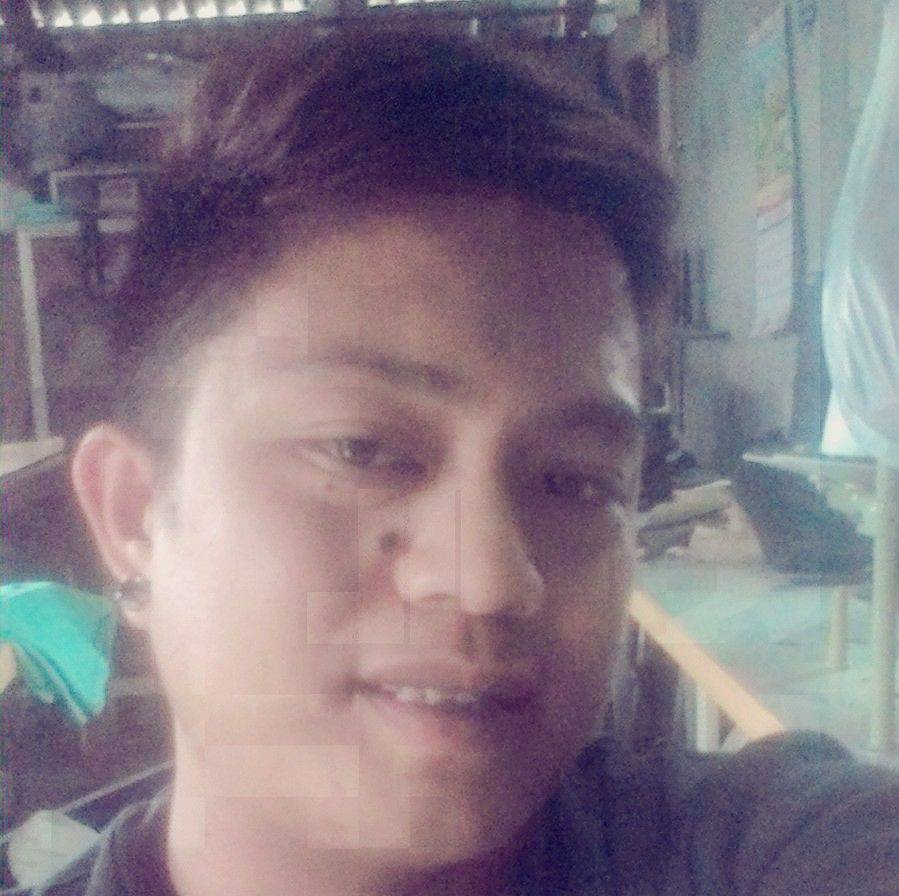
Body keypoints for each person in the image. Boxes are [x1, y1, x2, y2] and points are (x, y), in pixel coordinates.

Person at [26, 29, 899, 896]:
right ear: (134, 513)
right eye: (362, 451)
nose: (491, 580)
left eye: (574, 481)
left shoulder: (763, 850)